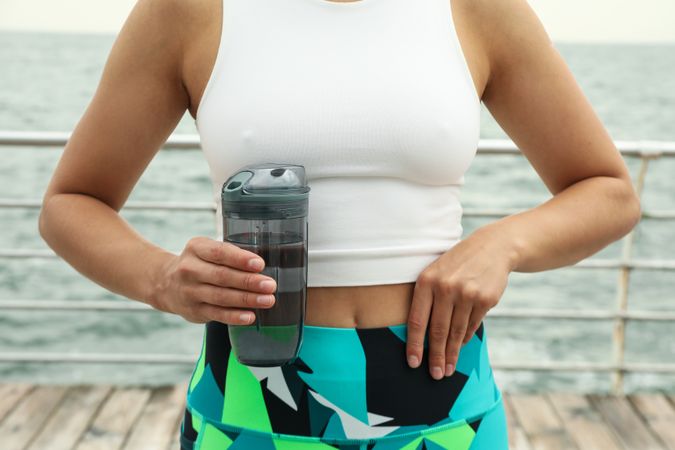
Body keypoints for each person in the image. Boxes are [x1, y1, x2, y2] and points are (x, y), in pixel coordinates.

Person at [38, 0, 641, 448]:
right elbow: (72, 202)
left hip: (444, 396)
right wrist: (162, 278)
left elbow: (608, 191)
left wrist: (504, 243)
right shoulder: (193, 10)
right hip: (251, 399)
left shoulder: (475, 9)